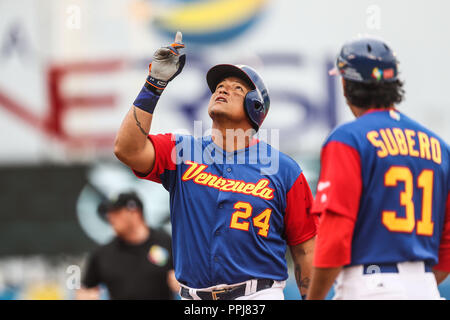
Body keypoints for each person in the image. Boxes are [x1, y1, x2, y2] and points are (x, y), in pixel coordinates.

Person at [113, 32, 317, 300]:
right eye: (220, 85)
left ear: (255, 107)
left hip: (257, 296)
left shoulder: (284, 170)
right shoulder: (181, 151)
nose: (222, 88)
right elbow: (127, 149)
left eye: (237, 88)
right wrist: (154, 84)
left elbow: (305, 250)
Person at [307, 36, 450, 300]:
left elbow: (336, 234)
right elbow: (448, 240)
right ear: (394, 83)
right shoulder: (439, 147)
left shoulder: (348, 138)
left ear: (346, 84)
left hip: (369, 287)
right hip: (426, 288)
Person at [76, 192, 179, 300]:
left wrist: (181, 283)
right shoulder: (103, 254)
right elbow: (86, 289)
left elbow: (189, 279)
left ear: (134, 212)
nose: (111, 218)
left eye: (116, 212)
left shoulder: (166, 242)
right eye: (109, 213)